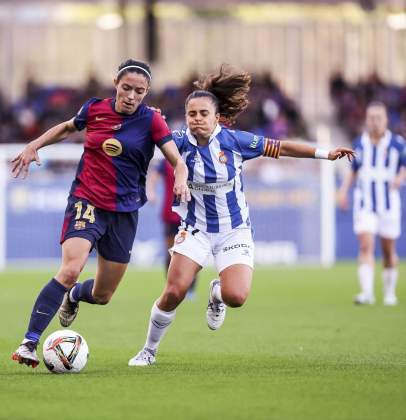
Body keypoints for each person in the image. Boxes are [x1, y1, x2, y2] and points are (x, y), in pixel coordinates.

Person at [128, 65, 355, 366]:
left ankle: (216, 295)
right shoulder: (178, 142)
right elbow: (145, 140)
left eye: (203, 114)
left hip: (234, 231)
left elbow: (282, 147)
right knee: (173, 291)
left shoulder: (236, 142)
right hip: (196, 229)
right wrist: (145, 117)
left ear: (217, 116)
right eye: (191, 114)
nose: (196, 119)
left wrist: (324, 153)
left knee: (236, 296)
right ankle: (149, 350)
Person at [10, 59, 190, 368]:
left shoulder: (152, 121)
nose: (132, 96)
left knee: (104, 294)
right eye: (126, 88)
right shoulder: (94, 109)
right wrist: (34, 145)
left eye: (139, 91)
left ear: (146, 93)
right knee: (69, 270)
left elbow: (177, 159)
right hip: (87, 200)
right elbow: (67, 128)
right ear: (116, 85)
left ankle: (75, 296)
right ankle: (29, 342)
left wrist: (182, 178)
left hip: (124, 210)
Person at [337, 101, 406, 306]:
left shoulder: (397, 144)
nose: (375, 122)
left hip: (388, 204)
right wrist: (343, 191)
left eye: (379, 118)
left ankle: (389, 293)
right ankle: (366, 293)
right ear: (366, 120)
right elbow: (353, 171)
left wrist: (399, 179)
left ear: (386, 120)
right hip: (365, 203)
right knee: (366, 245)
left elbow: (404, 166)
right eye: (371, 118)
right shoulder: (359, 144)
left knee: (387, 250)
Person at [147, 160, 198, 299]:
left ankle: (191, 289)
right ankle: (170, 287)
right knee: (171, 252)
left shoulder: (194, 158)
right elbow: (154, 175)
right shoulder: (166, 161)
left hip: (191, 215)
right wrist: (151, 191)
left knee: (192, 253)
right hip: (170, 214)